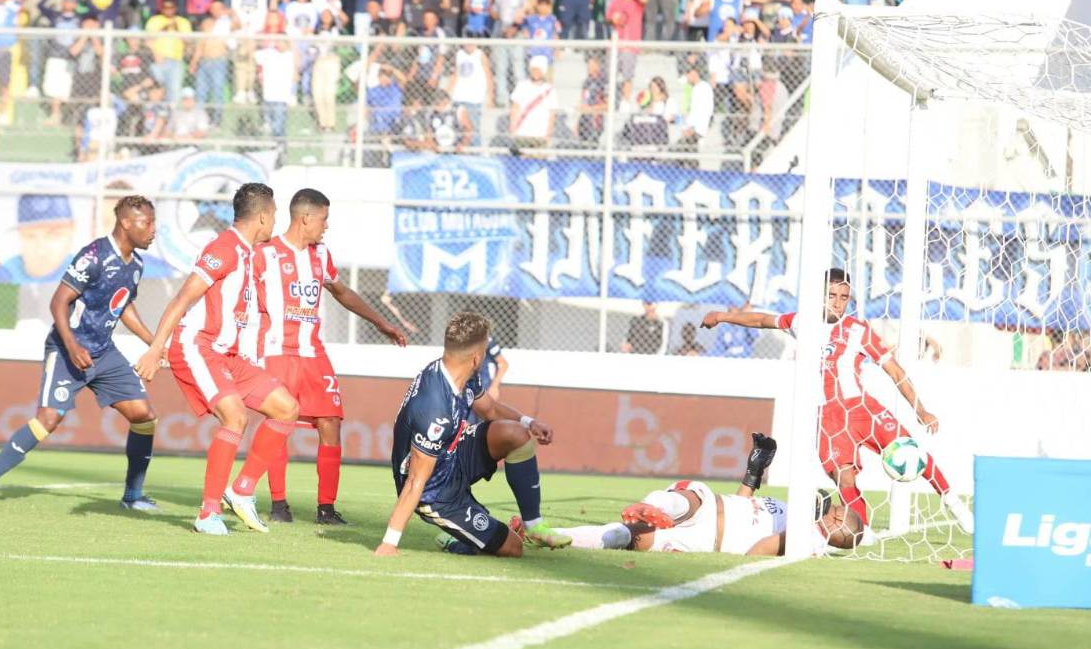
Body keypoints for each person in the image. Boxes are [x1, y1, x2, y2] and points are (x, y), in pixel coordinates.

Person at [701, 268, 976, 533]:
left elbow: (894, 370)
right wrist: (723, 316)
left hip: (862, 409)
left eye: (844, 297)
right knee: (844, 477)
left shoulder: (858, 330)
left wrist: (921, 409)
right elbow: (762, 320)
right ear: (820, 295)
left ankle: (953, 502)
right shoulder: (801, 323)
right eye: (832, 295)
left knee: (911, 452)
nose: (838, 303)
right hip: (828, 418)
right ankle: (864, 532)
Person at [223, 189, 406, 524]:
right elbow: (233, 289)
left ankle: (326, 508)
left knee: (331, 422)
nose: (326, 226)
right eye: (323, 219)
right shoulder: (264, 254)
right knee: (281, 420)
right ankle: (279, 504)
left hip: (313, 354)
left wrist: (381, 322)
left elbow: (341, 291)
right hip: (276, 352)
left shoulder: (321, 255)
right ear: (305, 217)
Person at [0, 197, 162, 508]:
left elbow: (122, 304)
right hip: (66, 347)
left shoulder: (136, 265)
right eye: (147, 223)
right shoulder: (94, 255)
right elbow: (58, 302)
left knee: (144, 416)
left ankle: (132, 496)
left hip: (104, 352)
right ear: (126, 223)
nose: (153, 230)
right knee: (48, 419)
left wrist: (153, 343)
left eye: (154, 223)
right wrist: (72, 346)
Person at [134, 183, 300, 536]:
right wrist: (155, 347)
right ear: (262, 217)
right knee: (235, 416)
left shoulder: (251, 253)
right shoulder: (224, 248)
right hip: (198, 346)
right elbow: (182, 298)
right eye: (274, 216)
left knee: (286, 408)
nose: (275, 224)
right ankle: (208, 512)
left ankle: (241, 491)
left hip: (228, 355)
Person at [375, 311, 570, 557]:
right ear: (478, 358)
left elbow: (489, 409)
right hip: (436, 492)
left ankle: (534, 526)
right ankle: (455, 536)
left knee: (516, 434)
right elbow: (416, 481)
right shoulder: (435, 410)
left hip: (452, 455)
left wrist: (528, 421)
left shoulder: (461, 372)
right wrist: (389, 543)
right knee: (513, 548)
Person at [552, 434, 867, 556]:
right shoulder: (786, 509)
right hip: (711, 507)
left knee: (627, 537)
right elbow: (745, 505)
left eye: (832, 508)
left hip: (705, 540)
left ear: (835, 521)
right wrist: (753, 471)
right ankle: (649, 506)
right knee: (691, 498)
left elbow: (757, 552)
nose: (825, 503)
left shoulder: (805, 539)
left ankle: (552, 536)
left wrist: (798, 533)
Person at [0, 194, 78, 283]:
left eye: (54, 235)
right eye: (30, 236)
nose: (41, 249)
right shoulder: (2, 277)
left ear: (71, 233)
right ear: (20, 235)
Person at [508, 54, 556, 147]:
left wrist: (548, 134)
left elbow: (552, 114)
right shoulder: (522, 86)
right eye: (534, 69)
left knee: (539, 159)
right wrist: (513, 127)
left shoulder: (549, 90)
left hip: (540, 134)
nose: (536, 72)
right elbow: (515, 108)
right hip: (522, 132)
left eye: (539, 70)